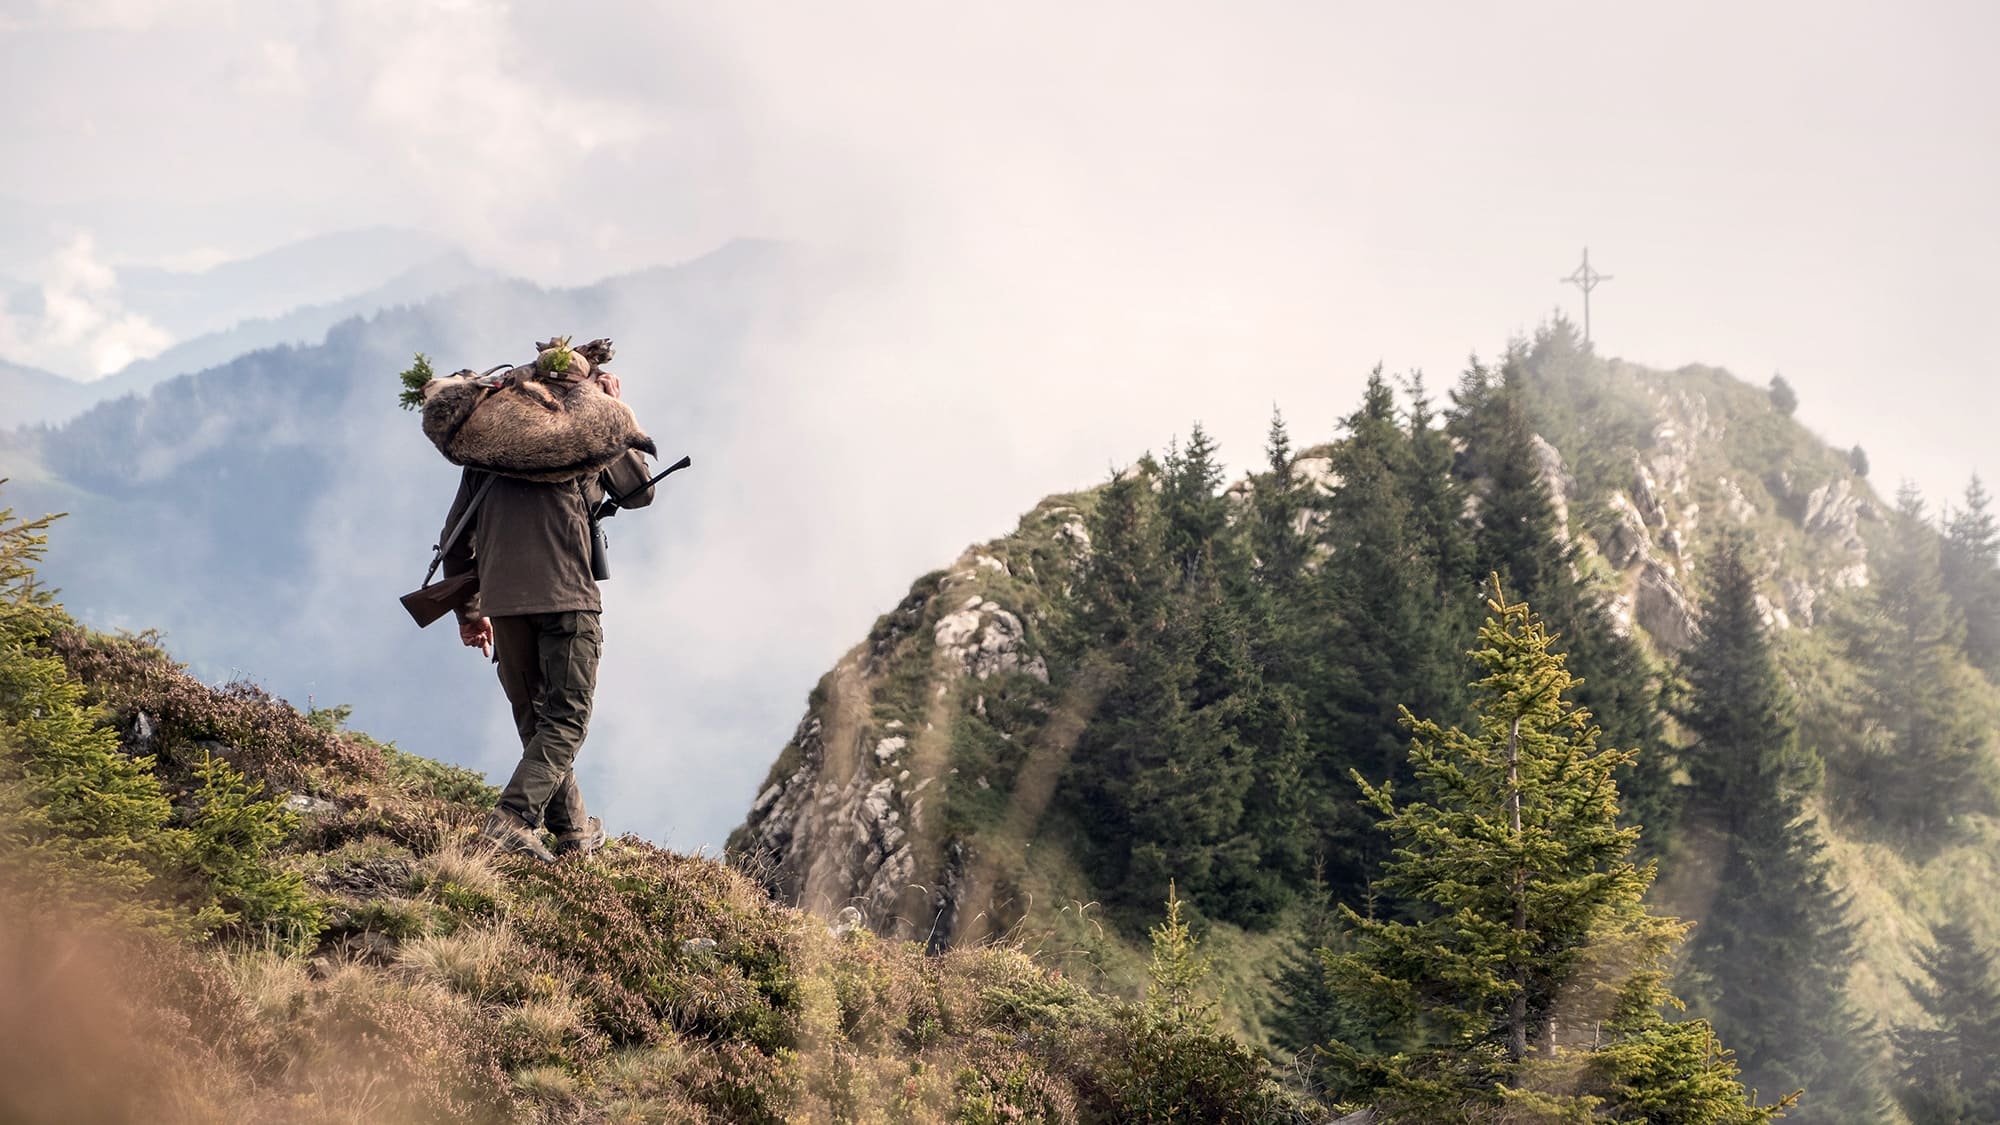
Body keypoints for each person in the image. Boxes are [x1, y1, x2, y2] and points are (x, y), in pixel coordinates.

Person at [437, 372, 654, 861]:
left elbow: (455, 543)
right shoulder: (586, 447)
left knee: (537, 720)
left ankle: (574, 831)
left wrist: (470, 615)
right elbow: (639, 492)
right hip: (568, 600)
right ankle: (511, 820)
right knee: (566, 721)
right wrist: (616, 413)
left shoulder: (486, 457)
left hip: (505, 607)